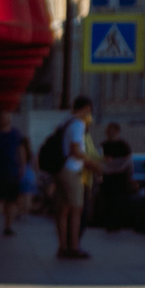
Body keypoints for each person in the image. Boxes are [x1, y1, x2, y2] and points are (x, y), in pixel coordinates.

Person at [44, 96, 97, 259]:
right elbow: (75, 150)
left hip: (60, 170)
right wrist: (91, 163)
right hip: (71, 171)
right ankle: (73, 247)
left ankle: (62, 246)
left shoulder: (65, 121)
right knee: (76, 210)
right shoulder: (78, 124)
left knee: (62, 210)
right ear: (87, 108)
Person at [96, 120, 137, 231]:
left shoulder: (123, 145)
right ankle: (109, 223)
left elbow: (128, 163)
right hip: (108, 179)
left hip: (119, 179)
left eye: (112, 130)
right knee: (108, 201)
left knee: (117, 202)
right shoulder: (103, 145)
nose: (110, 133)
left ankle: (115, 223)